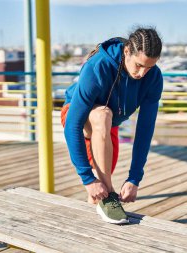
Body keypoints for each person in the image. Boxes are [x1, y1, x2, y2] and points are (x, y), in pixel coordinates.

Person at [61, 27, 163, 224]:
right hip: (78, 117)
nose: (142, 73)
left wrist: (135, 178)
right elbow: (72, 124)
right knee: (102, 115)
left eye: (149, 67)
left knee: (95, 196)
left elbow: (145, 130)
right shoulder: (98, 66)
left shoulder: (154, 78)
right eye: (139, 65)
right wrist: (87, 178)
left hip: (107, 129)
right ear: (127, 52)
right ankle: (110, 196)